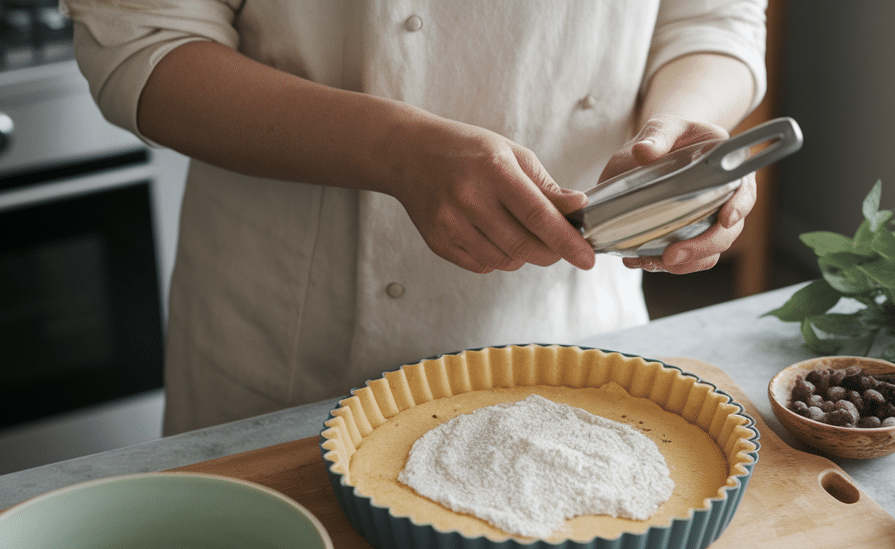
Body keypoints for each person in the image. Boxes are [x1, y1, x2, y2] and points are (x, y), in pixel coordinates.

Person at [63, 0, 769, 434]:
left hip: (574, 322)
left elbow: (714, 17)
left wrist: (684, 132)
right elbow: (143, 45)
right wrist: (397, 150)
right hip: (298, 348)